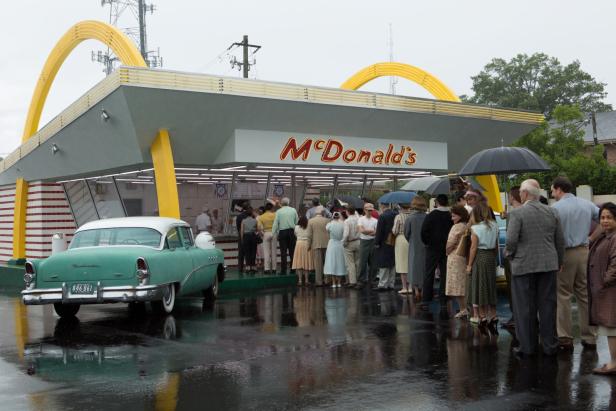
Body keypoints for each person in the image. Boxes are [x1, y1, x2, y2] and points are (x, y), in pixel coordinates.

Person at [506, 179, 565, 357]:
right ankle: (549, 345)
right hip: (548, 265)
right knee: (548, 306)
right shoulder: (552, 212)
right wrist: (559, 261)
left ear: (524, 194)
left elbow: (511, 240)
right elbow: (559, 241)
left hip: (523, 265)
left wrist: (509, 255)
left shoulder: (517, 213)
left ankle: (527, 347)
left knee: (524, 308)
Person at [551, 176, 599, 351]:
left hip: (565, 253)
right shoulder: (586, 204)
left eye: (552, 190)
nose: (552, 193)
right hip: (584, 251)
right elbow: (602, 218)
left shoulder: (555, 208)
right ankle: (590, 336)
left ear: (558, 189)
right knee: (585, 294)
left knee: (563, 294)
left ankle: (565, 337)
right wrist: (592, 238)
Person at [587, 203, 616, 374]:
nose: (605, 221)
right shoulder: (606, 235)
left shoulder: (614, 238)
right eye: (603, 218)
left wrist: (604, 281)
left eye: (609, 218)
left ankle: (613, 364)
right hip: (606, 290)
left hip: (610, 291)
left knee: (611, 328)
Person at [466, 202, 499, 326]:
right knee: (491, 285)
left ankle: (482, 315)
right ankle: (494, 314)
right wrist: (494, 257)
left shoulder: (475, 228)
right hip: (491, 257)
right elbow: (496, 246)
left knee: (479, 285)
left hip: (480, 256)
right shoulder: (494, 225)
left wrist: (469, 265)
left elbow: (473, 248)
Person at [420, 194, 453, 307]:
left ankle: (426, 299)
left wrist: (427, 242)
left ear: (437, 202)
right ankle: (443, 297)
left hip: (433, 247)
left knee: (429, 272)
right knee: (445, 273)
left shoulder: (431, 215)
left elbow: (424, 231)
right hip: (447, 248)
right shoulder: (450, 215)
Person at [445, 205, 470, 318]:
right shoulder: (467, 226)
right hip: (465, 256)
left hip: (455, 257)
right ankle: (466, 307)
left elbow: (450, 244)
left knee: (457, 284)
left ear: (460, 216)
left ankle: (463, 309)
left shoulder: (456, 227)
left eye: (454, 216)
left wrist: (446, 251)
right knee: (464, 282)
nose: (451, 218)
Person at [404, 196, 428, 299]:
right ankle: (423, 289)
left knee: (413, 267)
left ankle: (416, 290)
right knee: (424, 267)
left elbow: (406, 233)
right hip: (426, 245)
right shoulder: (427, 217)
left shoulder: (410, 218)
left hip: (414, 245)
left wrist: (411, 240)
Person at [272, 197, 299, 275]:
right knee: (292, 251)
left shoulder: (278, 211)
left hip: (282, 232)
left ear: (282, 203)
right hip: (291, 232)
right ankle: (293, 269)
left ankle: (283, 270)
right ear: (288, 203)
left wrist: (273, 233)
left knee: (283, 252)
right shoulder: (293, 210)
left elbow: (275, 223)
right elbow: (297, 221)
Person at [374, 202, 397, 291]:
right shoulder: (396, 214)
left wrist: (376, 242)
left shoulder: (383, 216)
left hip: (384, 242)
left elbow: (379, 231)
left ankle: (383, 284)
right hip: (394, 240)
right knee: (392, 263)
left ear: (382, 206)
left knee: (383, 263)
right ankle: (391, 283)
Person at [357, 203, 379, 288]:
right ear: (364, 210)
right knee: (362, 262)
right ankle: (361, 280)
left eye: (371, 210)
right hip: (364, 241)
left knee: (373, 262)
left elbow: (376, 232)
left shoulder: (375, 220)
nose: (370, 212)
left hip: (372, 241)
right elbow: (361, 230)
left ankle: (372, 280)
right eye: (368, 210)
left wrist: (366, 231)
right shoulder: (361, 219)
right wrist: (371, 232)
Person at [307, 206, 330, 286]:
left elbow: (309, 235)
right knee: (327, 263)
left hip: (316, 244)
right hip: (327, 244)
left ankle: (319, 281)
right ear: (323, 212)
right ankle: (327, 280)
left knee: (318, 264)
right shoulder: (327, 220)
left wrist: (308, 245)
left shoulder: (311, 221)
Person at [324, 212, 347, 288]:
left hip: (332, 244)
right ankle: (339, 282)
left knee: (332, 262)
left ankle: (334, 283)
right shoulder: (342, 224)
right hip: (340, 244)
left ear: (333, 217)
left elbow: (327, 229)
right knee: (340, 262)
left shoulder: (330, 224)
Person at [393, 203, 411, 294]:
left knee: (402, 263)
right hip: (411, 240)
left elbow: (395, 231)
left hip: (401, 239)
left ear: (400, 207)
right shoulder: (412, 216)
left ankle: (404, 287)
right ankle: (411, 286)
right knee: (410, 263)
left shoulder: (398, 217)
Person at [342, 204, 360, 287]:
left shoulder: (347, 221)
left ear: (347, 212)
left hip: (350, 242)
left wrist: (344, 243)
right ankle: (358, 279)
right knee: (358, 262)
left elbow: (346, 234)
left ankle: (353, 281)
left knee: (350, 263)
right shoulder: (359, 219)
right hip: (358, 241)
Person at [292, 216, 313, 286]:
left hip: (299, 244)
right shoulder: (309, 227)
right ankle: (307, 280)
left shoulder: (296, 227)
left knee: (299, 263)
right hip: (307, 243)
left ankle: (300, 280)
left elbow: (295, 234)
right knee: (306, 263)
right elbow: (310, 235)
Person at [257, 203, 278, 274]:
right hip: (274, 233)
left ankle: (267, 269)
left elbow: (259, 228)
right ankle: (274, 269)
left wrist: (263, 234)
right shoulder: (275, 215)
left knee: (266, 252)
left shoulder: (261, 217)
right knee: (274, 252)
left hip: (266, 233)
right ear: (272, 208)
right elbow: (278, 224)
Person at [240, 208, 259, 274]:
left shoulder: (243, 221)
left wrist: (242, 239)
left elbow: (242, 231)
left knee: (247, 252)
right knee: (253, 251)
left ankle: (248, 267)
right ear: (251, 214)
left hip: (246, 236)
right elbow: (257, 229)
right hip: (253, 236)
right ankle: (253, 267)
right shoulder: (255, 221)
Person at [235, 202, 251, 273]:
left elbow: (238, 227)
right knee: (249, 252)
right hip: (249, 235)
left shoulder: (239, 216)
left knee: (241, 253)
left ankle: (240, 269)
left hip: (241, 235)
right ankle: (248, 268)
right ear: (248, 208)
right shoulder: (250, 216)